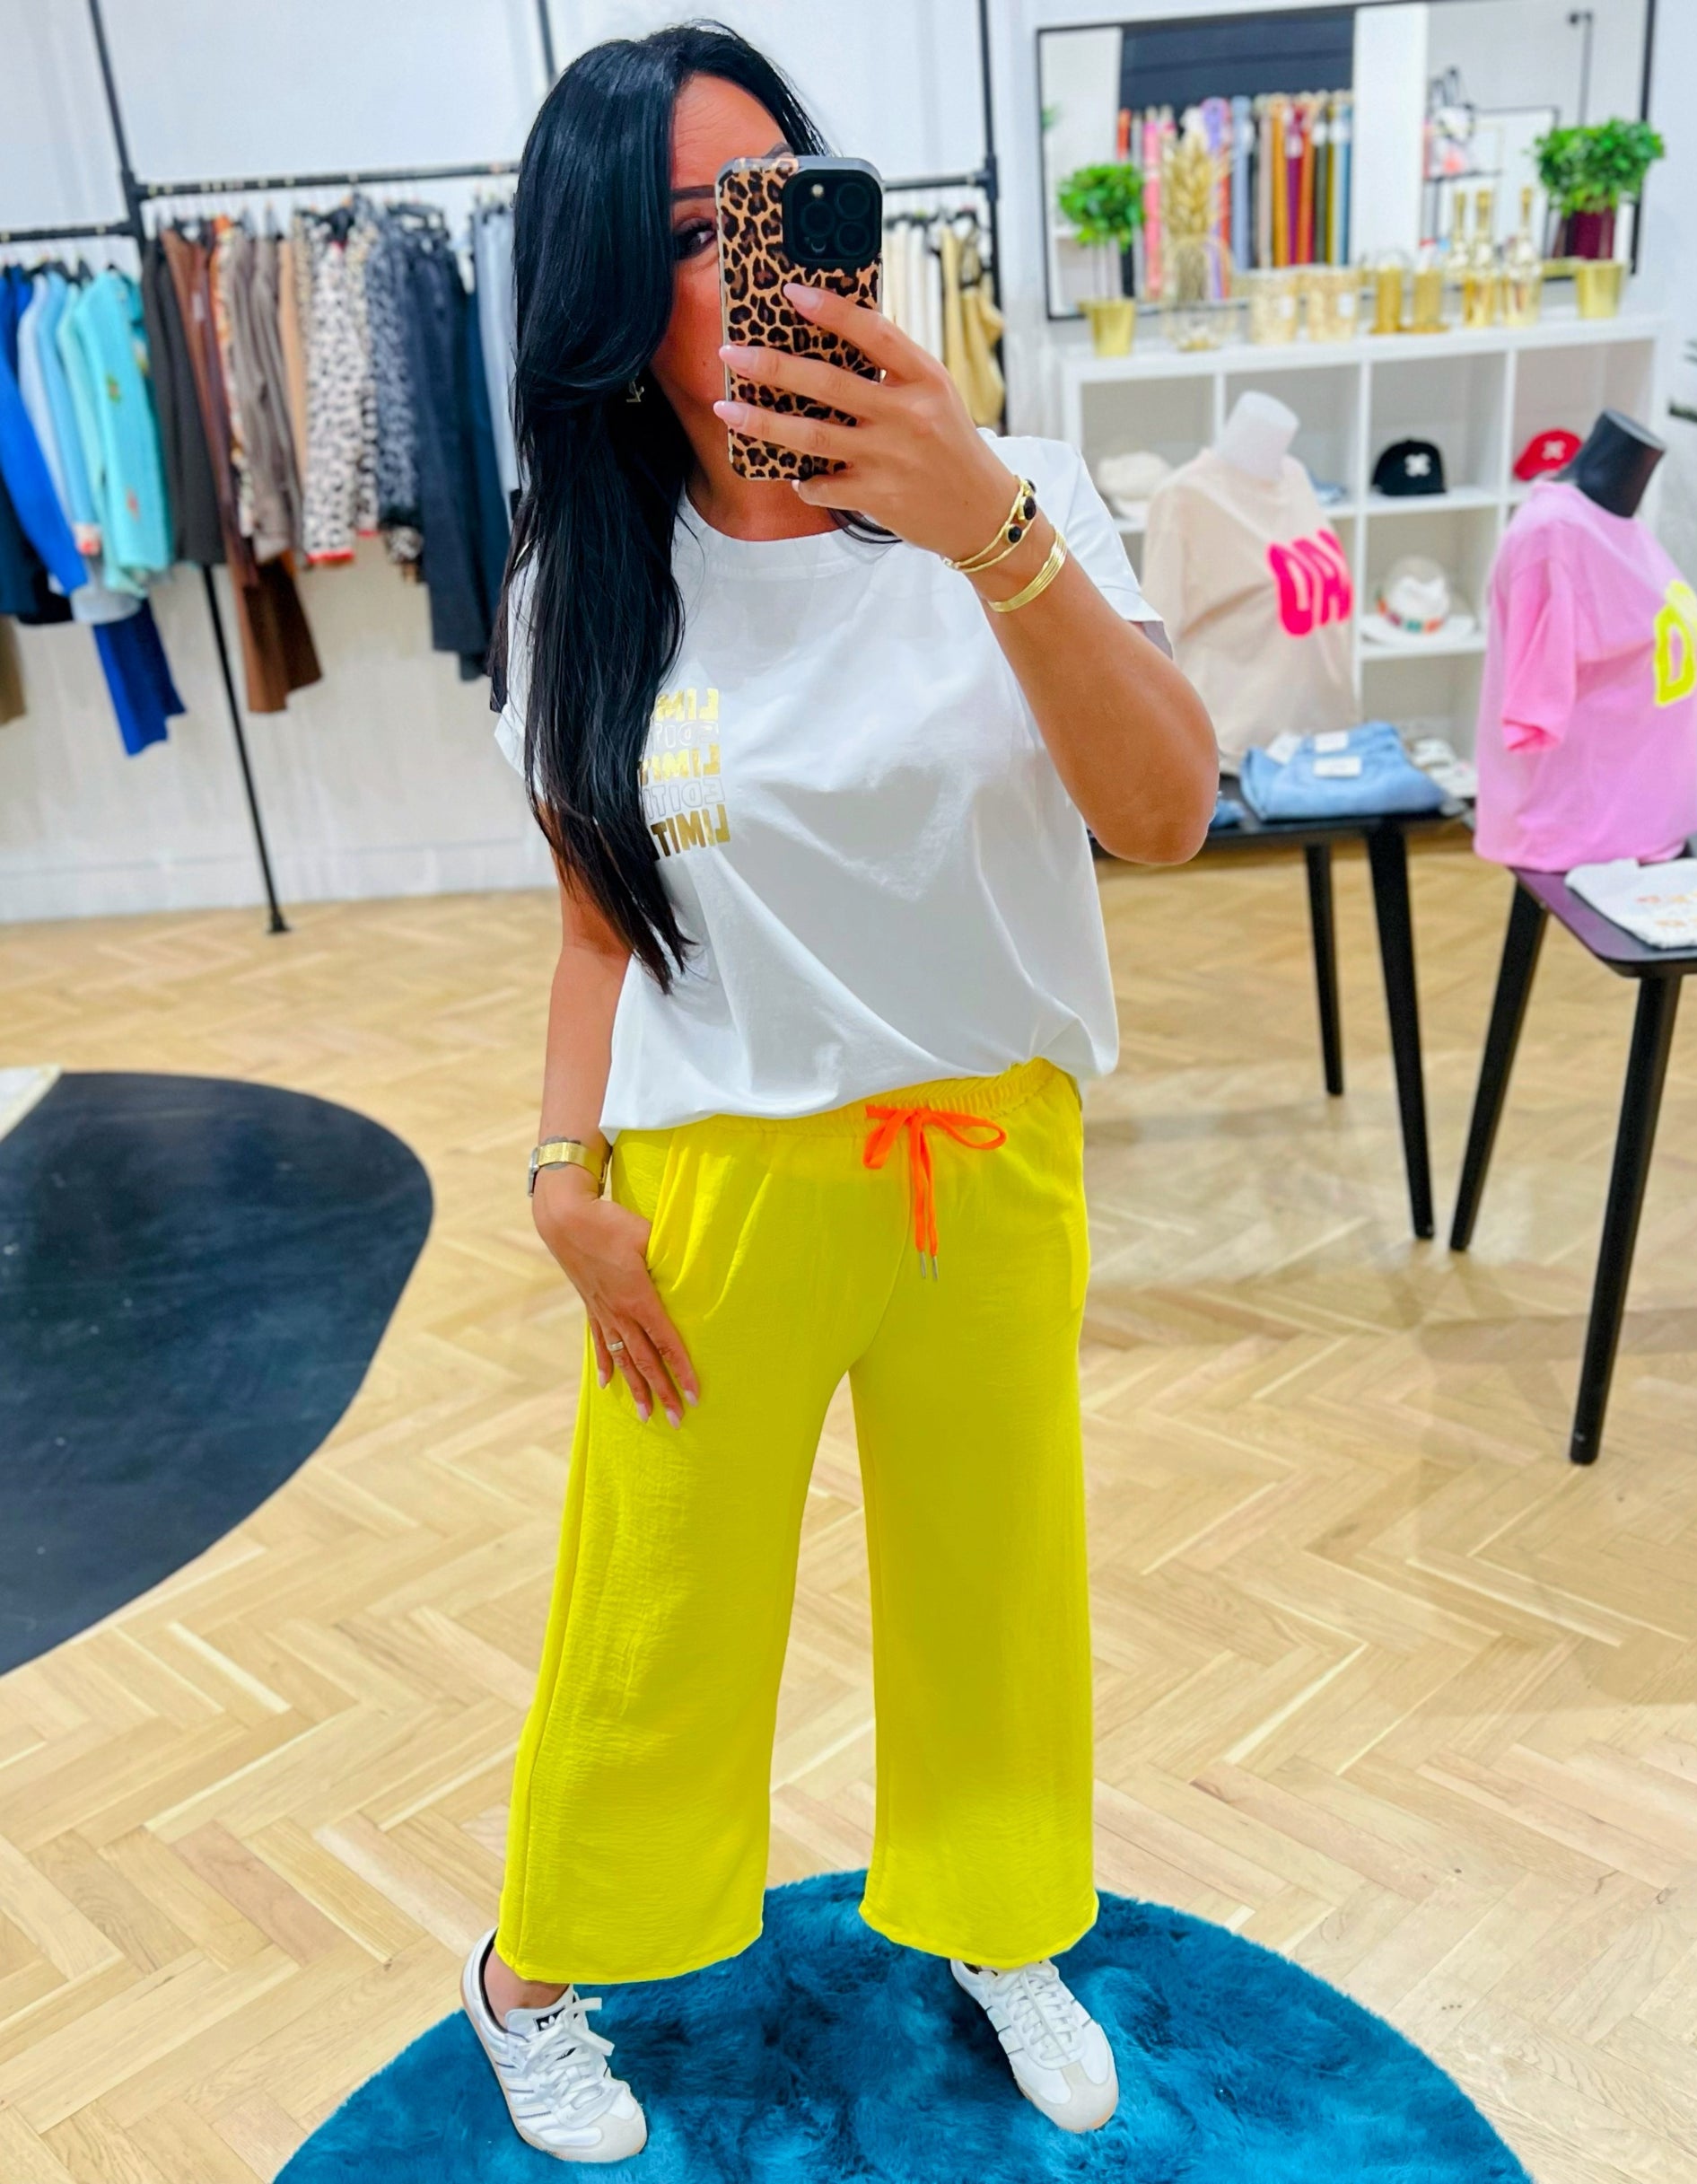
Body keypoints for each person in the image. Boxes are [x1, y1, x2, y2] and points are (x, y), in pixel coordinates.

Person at [460, 22, 1217, 2163]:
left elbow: (1164, 815)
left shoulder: (1013, 494)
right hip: (713, 1177)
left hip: (984, 1159)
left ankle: (997, 1914)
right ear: (603, 292)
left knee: (997, 1584)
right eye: (683, 232)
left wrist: (987, 523)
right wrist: (560, 1175)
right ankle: (533, 1971)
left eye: (772, 202)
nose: (747, 266)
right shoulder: (582, 587)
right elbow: (598, 926)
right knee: (660, 1604)